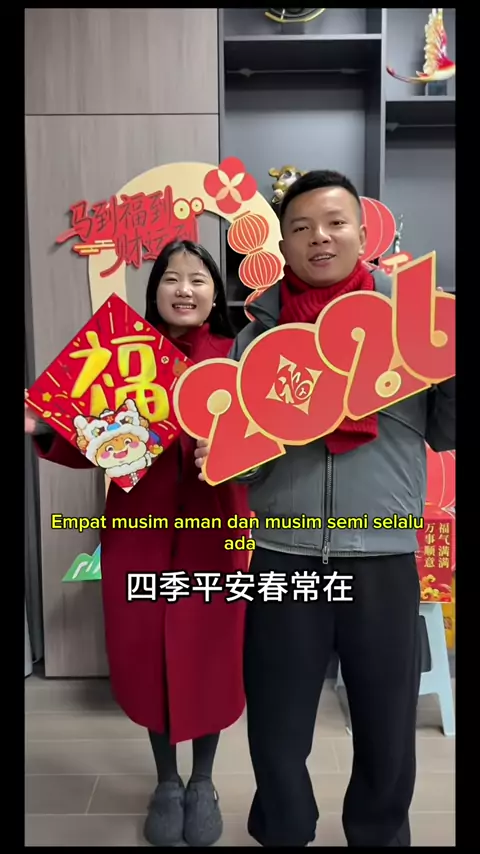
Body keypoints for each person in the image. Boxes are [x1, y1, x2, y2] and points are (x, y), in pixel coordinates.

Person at [195, 171, 455, 847]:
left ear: (364, 235)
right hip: (284, 555)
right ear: (282, 242)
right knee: (276, 729)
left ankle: (379, 836)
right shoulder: (257, 335)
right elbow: (248, 462)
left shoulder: (414, 321)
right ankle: (284, 832)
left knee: (387, 729)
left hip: (383, 554)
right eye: (302, 227)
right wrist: (225, 453)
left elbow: (447, 430)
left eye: (336, 223)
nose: (320, 238)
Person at [25, 240, 252, 848]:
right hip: (139, 532)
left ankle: (203, 781)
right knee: (149, 655)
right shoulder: (124, 355)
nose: (184, 289)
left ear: (215, 291)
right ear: (154, 291)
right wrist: (45, 424)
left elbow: (267, 442)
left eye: (198, 278)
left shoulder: (237, 355)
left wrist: (233, 451)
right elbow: (88, 437)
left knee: (210, 656)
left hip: (217, 533)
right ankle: (167, 781)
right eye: (171, 278)